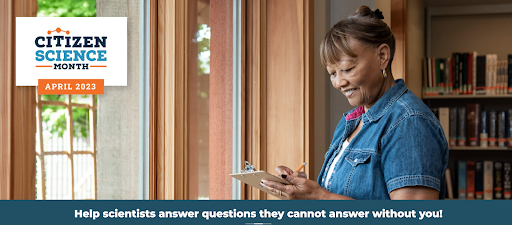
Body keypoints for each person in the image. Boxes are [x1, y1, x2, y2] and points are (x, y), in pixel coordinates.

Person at [260, 6, 449, 200]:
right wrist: (307, 193)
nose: (339, 83)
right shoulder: (351, 122)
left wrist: (321, 198)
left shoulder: (409, 122)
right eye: (332, 73)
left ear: (382, 56)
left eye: (347, 69)